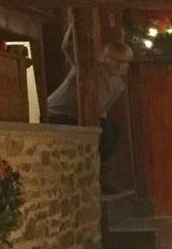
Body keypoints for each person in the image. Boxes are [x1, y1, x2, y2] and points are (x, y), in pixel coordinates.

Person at [47, 37, 133, 174]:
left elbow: (103, 109)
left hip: (80, 116)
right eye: (117, 60)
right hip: (58, 112)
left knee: (112, 131)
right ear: (105, 58)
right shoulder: (90, 68)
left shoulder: (118, 85)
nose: (121, 66)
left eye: (125, 62)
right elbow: (67, 47)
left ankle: (100, 170)